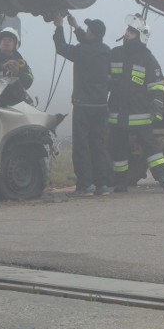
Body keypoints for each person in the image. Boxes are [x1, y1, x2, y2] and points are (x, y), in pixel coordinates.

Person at [108, 14, 164, 191]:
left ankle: (162, 176)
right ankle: (121, 182)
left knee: (150, 147)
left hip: (140, 114)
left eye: (132, 32)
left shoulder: (147, 59)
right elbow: (106, 80)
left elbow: (157, 87)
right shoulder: (115, 54)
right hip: (118, 113)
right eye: (128, 30)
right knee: (118, 150)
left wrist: (157, 111)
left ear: (141, 36)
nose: (127, 33)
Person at [53, 13, 112, 196]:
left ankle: (85, 185)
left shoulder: (81, 51)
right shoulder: (105, 51)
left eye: (87, 30)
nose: (85, 32)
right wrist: (76, 27)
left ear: (93, 34)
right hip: (101, 106)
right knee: (98, 145)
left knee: (81, 146)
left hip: (83, 106)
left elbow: (62, 48)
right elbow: (89, 43)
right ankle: (101, 184)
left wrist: (59, 26)